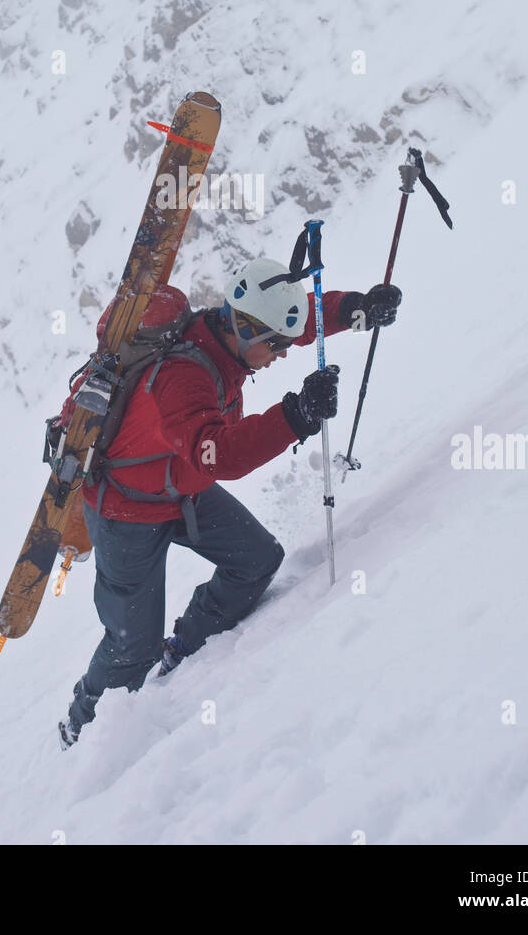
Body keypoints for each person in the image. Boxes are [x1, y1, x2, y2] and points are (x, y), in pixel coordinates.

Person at [59, 256, 402, 748]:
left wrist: (356, 309)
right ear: (243, 328)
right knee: (132, 647)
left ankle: (182, 647)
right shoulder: (184, 378)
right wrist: (295, 416)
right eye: (275, 346)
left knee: (257, 562)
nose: (283, 354)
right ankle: (81, 726)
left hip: (179, 487)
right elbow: (221, 455)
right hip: (126, 509)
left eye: (284, 343)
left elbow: (296, 320)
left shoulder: (228, 339)